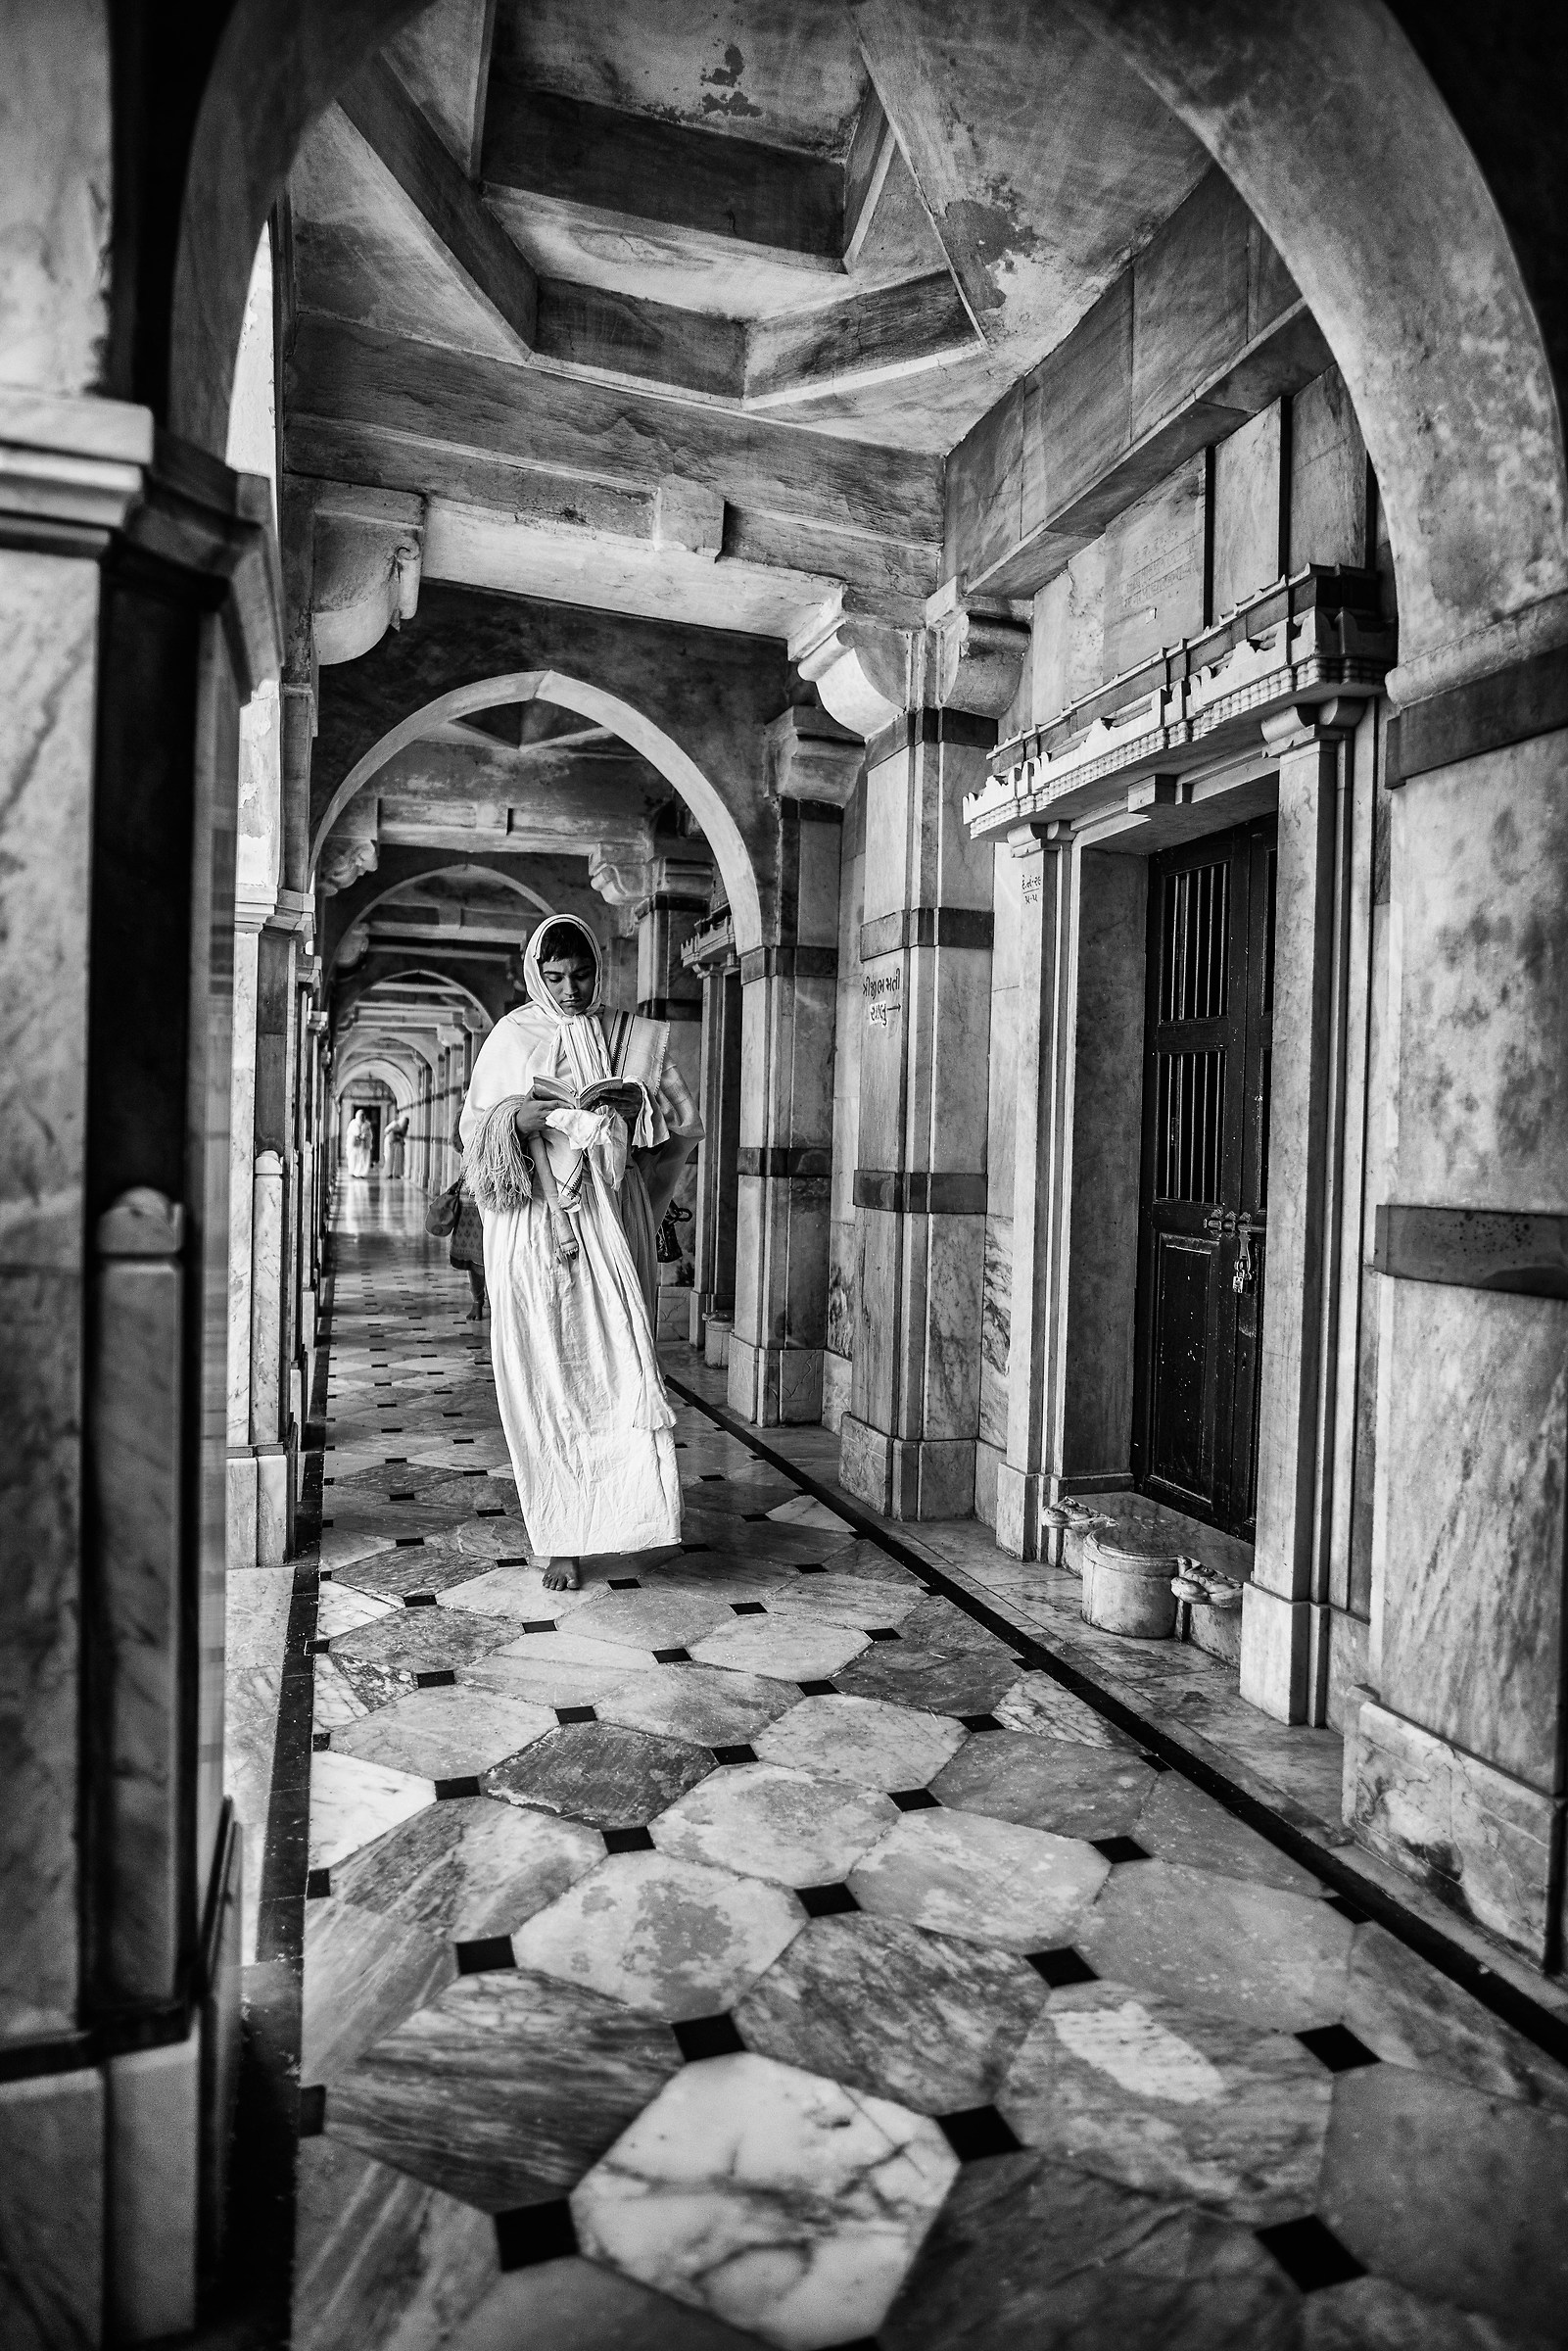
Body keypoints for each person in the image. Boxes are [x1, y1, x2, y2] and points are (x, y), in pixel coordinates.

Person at [459, 919, 702, 1590]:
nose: (570, 990)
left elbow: (683, 1130)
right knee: (544, 1377)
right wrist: (519, 1117)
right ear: (535, 971)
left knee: (616, 1370)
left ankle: (631, 1518)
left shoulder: (639, 1037)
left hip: (610, 1224)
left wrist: (637, 1108)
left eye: (583, 974)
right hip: (534, 1226)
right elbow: (472, 1130)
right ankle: (559, 1537)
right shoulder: (512, 1036)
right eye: (556, 976)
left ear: (600, 967)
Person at [447, 1119, 488, 1320]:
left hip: (493, 1193)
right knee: (476, 1257)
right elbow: (457, 1142)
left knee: (485, 1256)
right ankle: (478, 1301)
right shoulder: (466, 1112)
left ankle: (481, 1302)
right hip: (472, 1195)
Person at [346, 1107, 373, 1178]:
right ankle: (353, 1172)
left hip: (364, 1145)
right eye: (361, 1116)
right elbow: (350, 1133)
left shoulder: (367, 1124)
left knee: (363, 1159)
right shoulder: (353, 1123)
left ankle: (362, 1173)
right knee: (354, 1158)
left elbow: (370, 1134)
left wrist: (365, 1137)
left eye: (363, 1116)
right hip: (355, 1145)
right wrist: (357, 1136)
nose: (362, 1117)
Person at [384, 1113, 408, 1180]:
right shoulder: (394, 1123)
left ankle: (397, 1173)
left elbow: (403, 1135)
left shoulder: (404, 1128)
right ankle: (389, 1173)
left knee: (398, 1158)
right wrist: (394, 1134)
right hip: (390, 1142)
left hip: (398, 1143)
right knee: (389, 1156)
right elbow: (386, 1131)